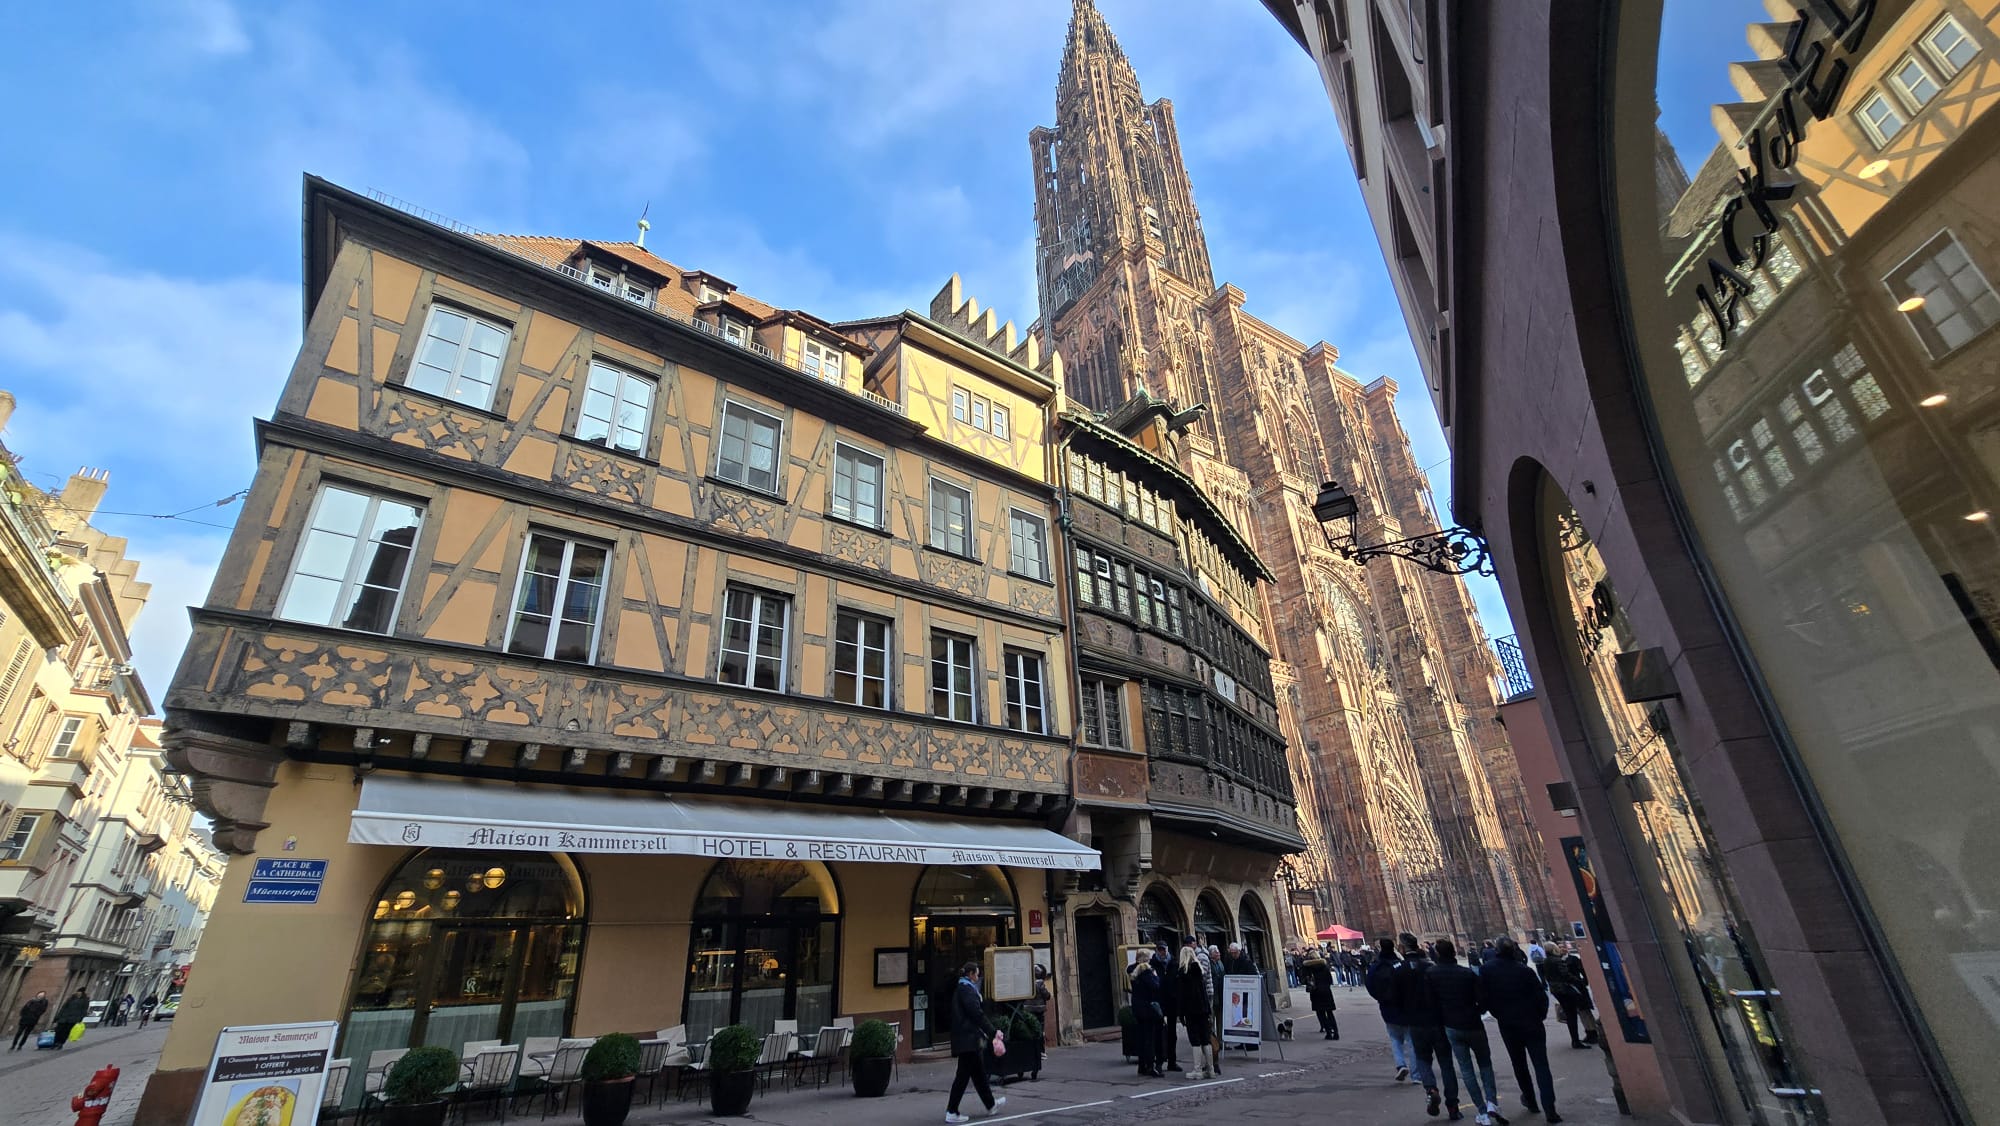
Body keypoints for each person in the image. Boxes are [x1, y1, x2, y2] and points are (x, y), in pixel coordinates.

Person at [1483, 938, 1562, 1123]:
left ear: (1497, 951)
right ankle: (1550, 1109)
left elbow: (1485, 998)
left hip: (1508, 1024)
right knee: (1541, 1066)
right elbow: (1541, 997)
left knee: (1519, 1064)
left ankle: (1530, 1100)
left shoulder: (1488, 970)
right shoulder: (1524, 970)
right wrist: (1539, 1016)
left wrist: (1499, 1014)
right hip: (1532, 1022)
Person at [1427, 940, 1503, 1125]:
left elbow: (1430, 1002)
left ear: (1437, 954)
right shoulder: (1467, 973)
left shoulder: (1431, 973)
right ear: (1454, 952)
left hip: (1452, 1025)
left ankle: (1482, 1112)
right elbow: (1483, 998)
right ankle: (1492, 1103)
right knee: (1485, 1064)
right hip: (1473, 1024)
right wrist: (1476, 1012)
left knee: (1466, 1069)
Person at [1392, 933, 1459, 1120]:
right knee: (1446, 1063)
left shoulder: (1399, 969)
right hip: (1437, 1021)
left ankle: (1431, 1089)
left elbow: (1394, 997)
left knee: (1422, 1059)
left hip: (1416, 1022)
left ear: (1402, 948)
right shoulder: (1431, 967)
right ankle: (1453, 1105)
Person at [943, 962, 1006, 1124]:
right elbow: (976, 1014)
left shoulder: (963, 988)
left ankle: (991, 1105)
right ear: (970, 974)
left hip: (968, 1038)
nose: (978, 977)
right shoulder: (967, 989)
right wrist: (992, 1031)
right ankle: (952, 1111)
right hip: (968, 1038)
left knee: (978, 1074)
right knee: (962, 1077)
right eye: (977, 974)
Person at [1366, 938, 1412, 1082]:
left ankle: (1400, 1065)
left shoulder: (1376, 966)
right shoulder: (1401, 964)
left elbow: (1369, 984)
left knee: (1394, 1039)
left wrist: (1380, 998)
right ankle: (1417, 1075)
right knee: (1411, 1040)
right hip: (1405, 1006)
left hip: (1387, 1007)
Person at [1543, 945, 1596, 1049]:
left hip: (1556, 989)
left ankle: (1578, 1038)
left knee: (1571, 1013)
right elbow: (1566, 975)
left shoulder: (1546, 961)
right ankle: (1577, 1040)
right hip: (1566, 989)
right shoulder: (1557, 960)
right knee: (1573, 1014)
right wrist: (1579, 982)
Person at [1178, 944, 1217, 1079]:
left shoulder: (1183, 972)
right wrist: (1207, 1009)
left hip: (1191, 1010)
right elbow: (1204, 992)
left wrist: (1181, 1013)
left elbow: (1182, 995)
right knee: (1205, 1039)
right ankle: (1211, 1069)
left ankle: (1198, 1070)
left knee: (1195, 1040)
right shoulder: (1199, 970)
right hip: (1203, 1009)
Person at [1149, 940, 1183, 1073]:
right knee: (1158, 1033)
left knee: (1172, 1034)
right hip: (1159, 1003)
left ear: (1167, 950)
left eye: (1163, 949)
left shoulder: (1174, 963)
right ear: (1157, 951)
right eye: (1160, 949)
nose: (1162, 952)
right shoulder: (1152, 964)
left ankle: (1172, 1062)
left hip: (1172, 1002)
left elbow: (1178, 983)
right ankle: (1159, 1063)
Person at [1130, 958, 1165, 1078]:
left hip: (1138, 1012)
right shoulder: (1147, 976)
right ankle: (1150, 1066)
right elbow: (1156, 986)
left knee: (1141, 1038)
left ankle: (1142, 1066)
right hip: (1147, 1012)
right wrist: (1155, 975)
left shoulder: (1135, 978)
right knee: (1149, 1039)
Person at [1300, 949, 1339, 1039]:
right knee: (1330, 1013)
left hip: (1315, 992)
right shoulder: (1324, 965)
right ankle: (1336, 1033)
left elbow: (1303, 980)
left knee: (1321, 1013)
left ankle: (1328, 1033)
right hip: (1326, 991)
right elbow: (1330, 980)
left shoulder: (1308, 967)